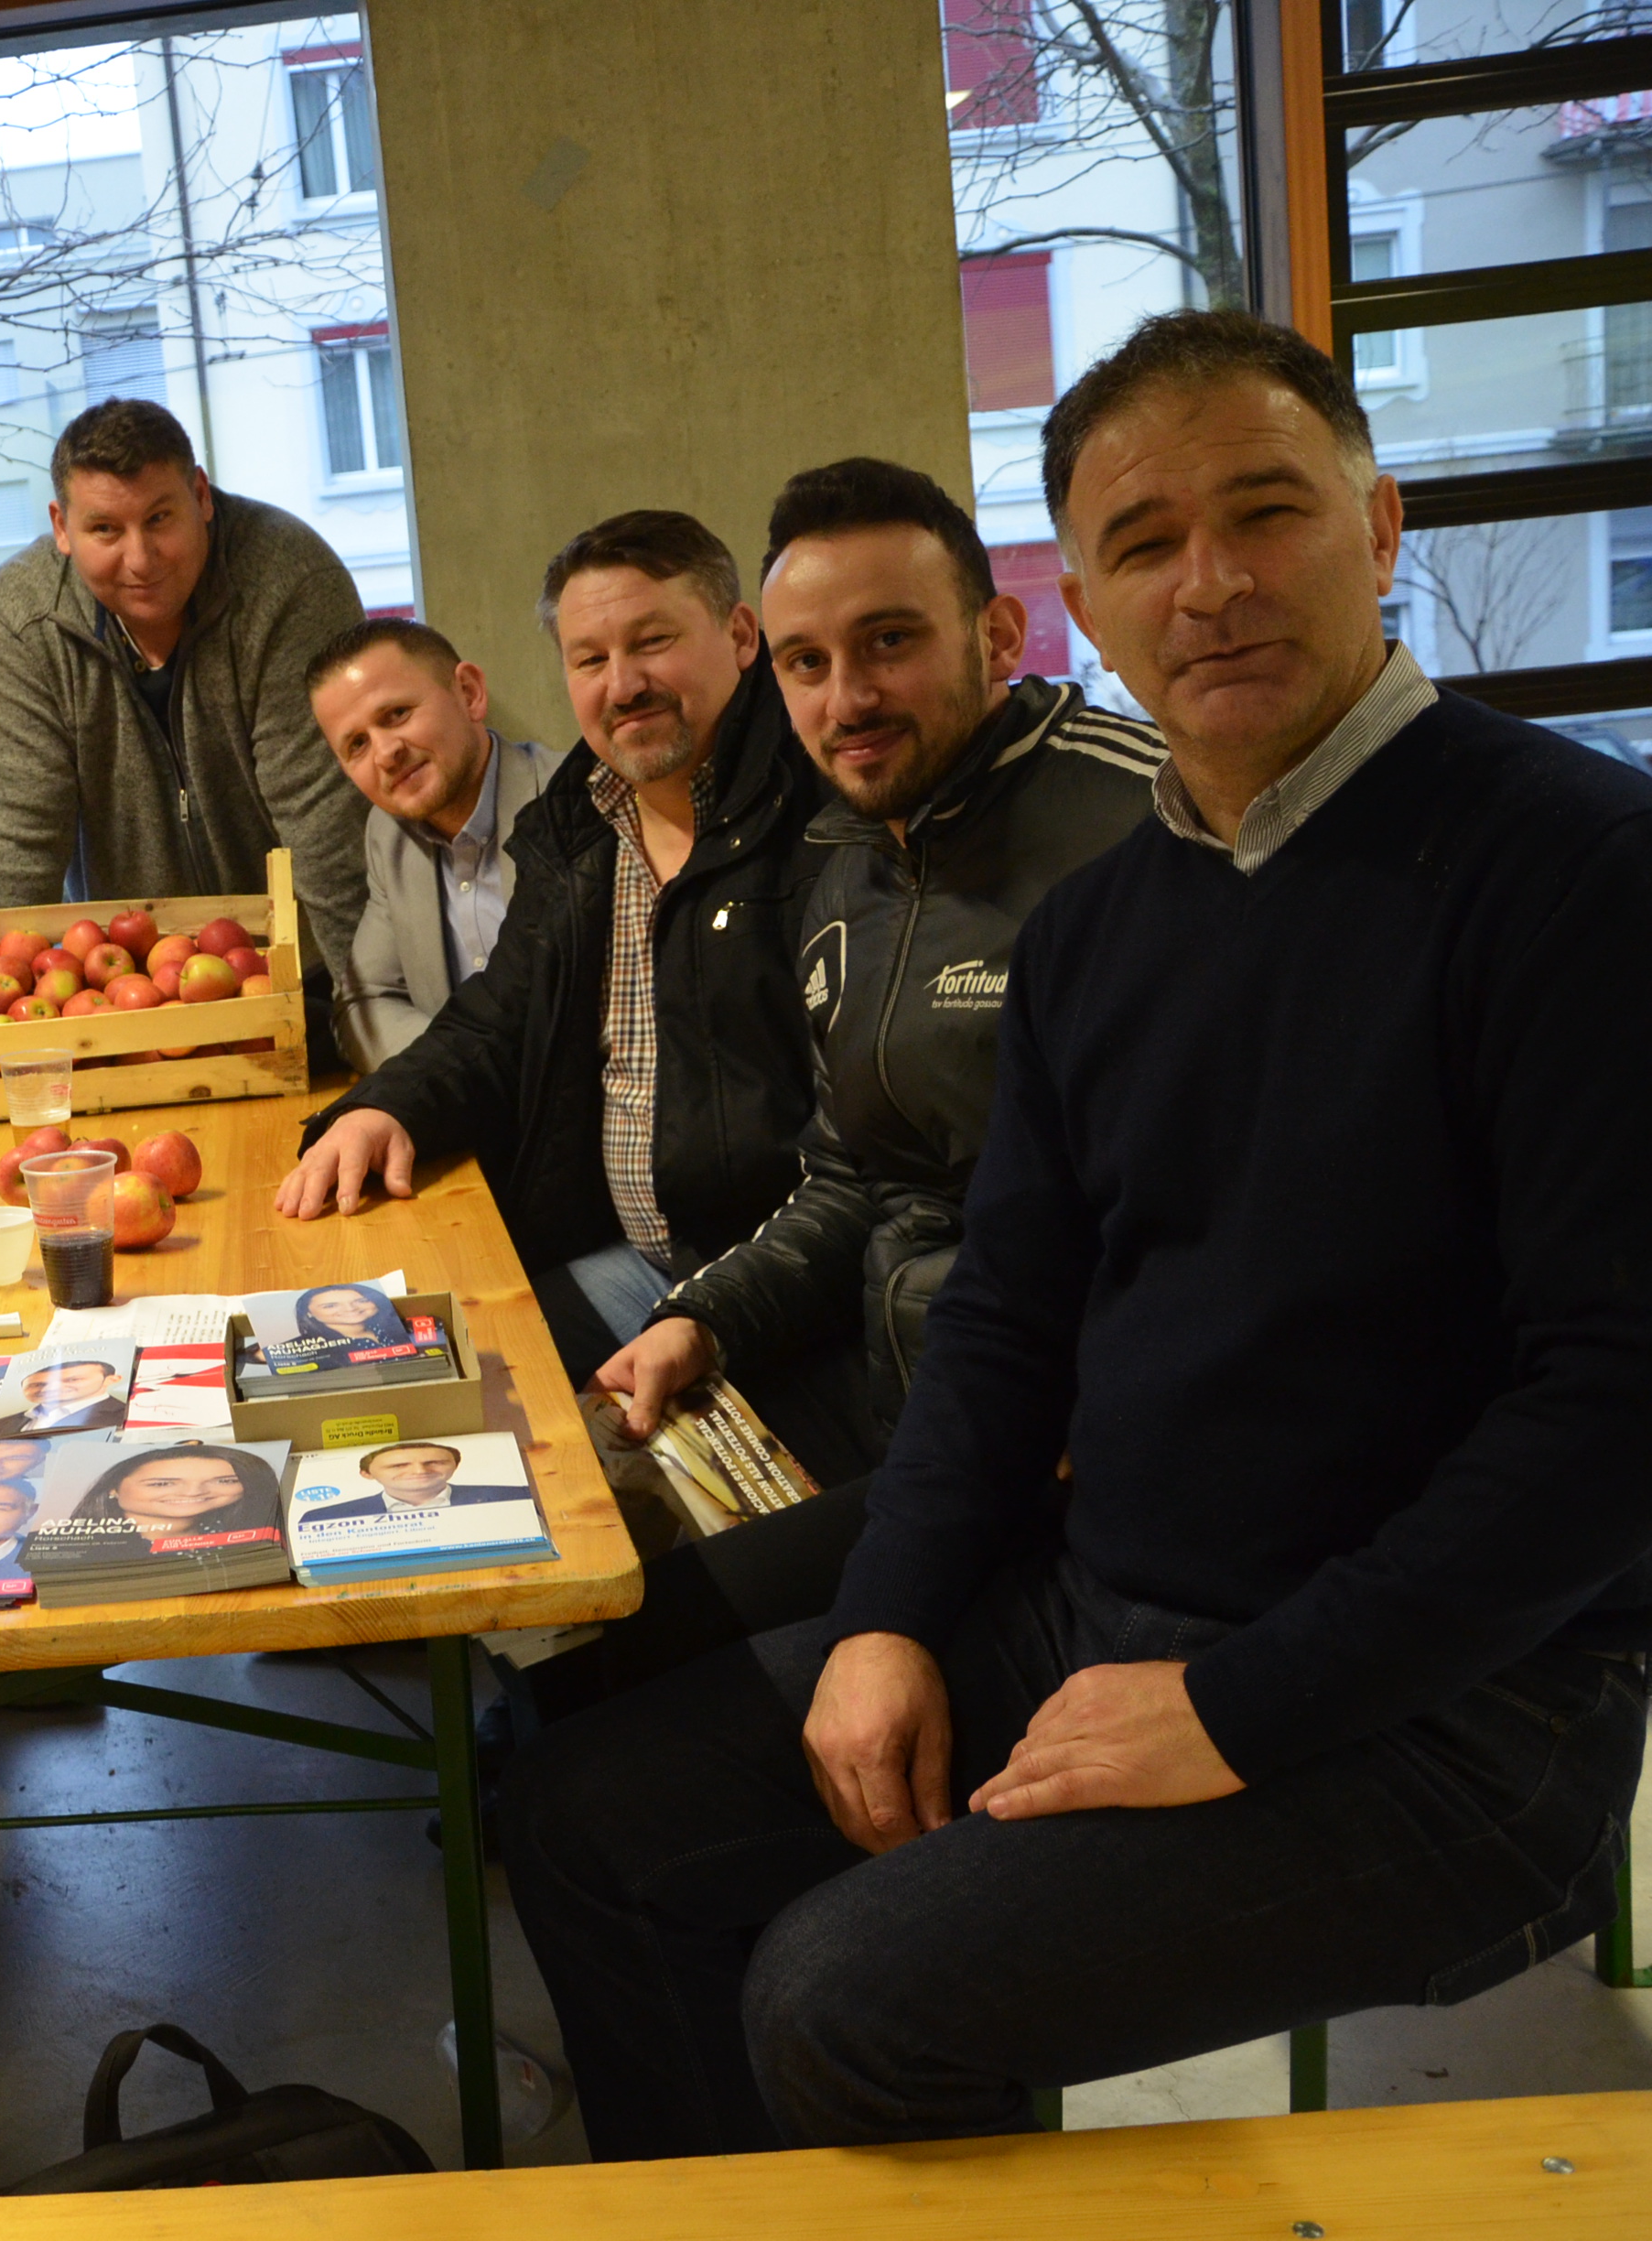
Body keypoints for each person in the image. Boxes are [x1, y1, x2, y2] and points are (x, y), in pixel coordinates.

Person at [502, 310, 1652, 2163]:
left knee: (841, 1996)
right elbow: (1006, 1323)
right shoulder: (1109, 928)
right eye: (1143, 542)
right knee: (589, 1818)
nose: (1210, 583)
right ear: (1087, 603)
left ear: (1378, 527)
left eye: (1265, 512)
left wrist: (1241, 1707)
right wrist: (890, 1617)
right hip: (1101, 1597)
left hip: (1457, 1704)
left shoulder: (1580, 870)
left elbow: (1616, 1407)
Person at [545, 459, 1162, 1716]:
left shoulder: (1146, 824)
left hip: (1046, 1455)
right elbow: (848, 1179)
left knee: (623, 1684)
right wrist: (702, 1320)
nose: (848, 698)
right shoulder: (849, 853)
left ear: (1000, 634)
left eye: (890, 642)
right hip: (896, 1389)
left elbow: (1203, 1214)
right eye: (808, 662)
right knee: (568, 1569)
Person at [275, 509, 868, 1486]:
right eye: (590, 659)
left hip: (778, 1299)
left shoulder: (827, 818)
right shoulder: (585, 819)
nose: (622, 684)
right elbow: (500, 1013)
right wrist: (383, 1107)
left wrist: (709, 1311)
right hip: (638, 1264)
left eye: (652, 641)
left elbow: (864, 1170)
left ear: (740, 635)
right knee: (388, 1414)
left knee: (544, 1496)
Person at [0, 398, 374, 1061]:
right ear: (62, 528)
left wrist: (376, 1028)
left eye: (159, 518)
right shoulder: (21, 621)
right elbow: (10, 856)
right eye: (105, 529)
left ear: (201, 496)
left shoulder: (289, 580)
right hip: (124, 1002)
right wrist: (10, 1064)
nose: (141, 558)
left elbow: (329, 825)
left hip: (306, 980)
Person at [306, 617, 567, 1068]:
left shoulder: (577, 801)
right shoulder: (387, 834)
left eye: (397, 714)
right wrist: (459, 1069)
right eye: (357, 744)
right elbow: (362, 1004)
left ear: (469, 693)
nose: (386, 754)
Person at [74, 1445, 280, 1541]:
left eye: (225, 1481)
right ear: (113, 1487)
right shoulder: (88, 1547)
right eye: (162, 1484)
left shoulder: (252, 1531)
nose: (193, 1492)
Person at [303, 1442, 533, 1522]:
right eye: (398, 1466)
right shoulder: (324, 1517)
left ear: (455, 1466)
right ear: (367, 1474)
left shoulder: (515, 1497)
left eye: (435, 1462)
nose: (420, 1471)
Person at [0, 1358, 128, 1435]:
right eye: (38, 1384)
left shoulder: (125, 1415)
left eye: (72, 1380)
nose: (50, 1389)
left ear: (111, 1380)